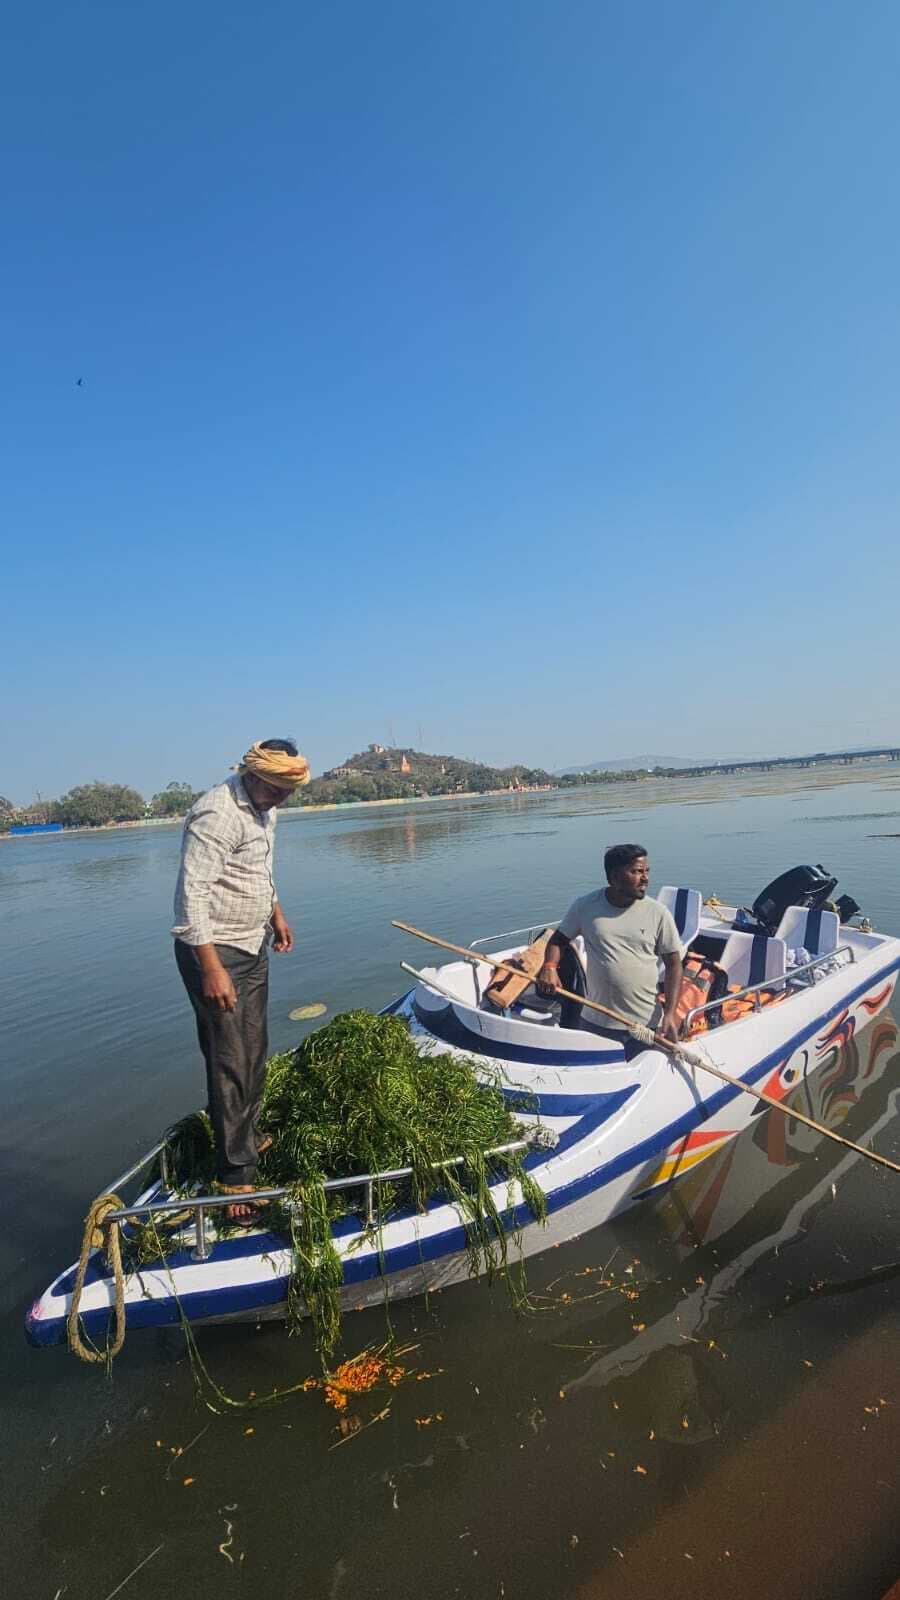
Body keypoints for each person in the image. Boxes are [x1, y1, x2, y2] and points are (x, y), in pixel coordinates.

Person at [172, 738, 310, 1217]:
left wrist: (276, 913)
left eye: (288, 791)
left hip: (251, 942)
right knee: (228, 1057)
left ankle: (246, 1140)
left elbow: (256, 869)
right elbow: (191, 898)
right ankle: (234, 1178)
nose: (283, 799)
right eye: (277, 789)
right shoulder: (218, 814)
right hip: (216, 952)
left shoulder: (263, 807)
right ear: (253, 776)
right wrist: (211, 968)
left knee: (253, 1049)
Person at [536, 843, 683, 1045]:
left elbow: (674, 964)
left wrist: (670, 1013)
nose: (646, 878)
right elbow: (558, 941)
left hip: (645, 1025)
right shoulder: (585, 907)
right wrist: (549, 966)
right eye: (637, 872)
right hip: (594, 1022)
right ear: (614, 877)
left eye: (647, 871)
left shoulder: (658, 913)